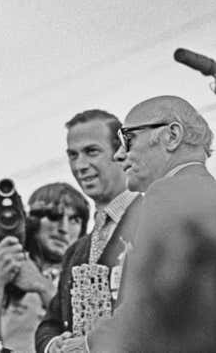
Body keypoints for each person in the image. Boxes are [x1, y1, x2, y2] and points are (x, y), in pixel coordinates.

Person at [86, 95, 216, 352]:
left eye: (128, 138)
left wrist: (83, 346)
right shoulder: (205, 193)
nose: (120, 154)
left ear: (172, 136)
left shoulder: (168, 193)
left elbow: (145, 313)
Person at [35, 110, 143, 353]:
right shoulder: (76, 250)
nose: (80, 165)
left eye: (91, 152)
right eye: (73, 155)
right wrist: (55, 345)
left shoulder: (154, 221)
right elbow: (51, 323)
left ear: (122, 153)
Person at [0, 182, 89, 352]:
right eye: (54, 216)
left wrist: (42, 286)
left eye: (75, 219)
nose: (64, 229)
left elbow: (87, 337)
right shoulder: (6, 273)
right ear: (32, 221)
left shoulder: (86, 278)